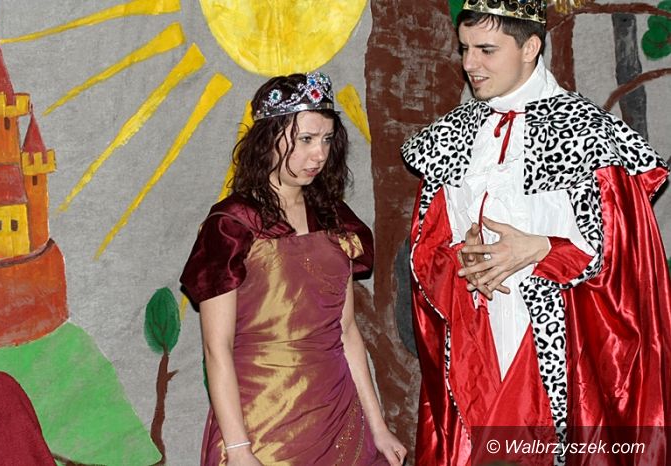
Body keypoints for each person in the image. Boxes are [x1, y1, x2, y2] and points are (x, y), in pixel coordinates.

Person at [401, 0, 671, 464]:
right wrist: (461, 256)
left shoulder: (588, 133)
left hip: (558, 349)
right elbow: (429, 244)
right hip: (477, 340)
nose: (470, 64)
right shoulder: (453, 136)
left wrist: (542, 249)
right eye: (464, 49)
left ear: (530, 48)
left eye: (486, 50)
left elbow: (626, 261)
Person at [181, 71, 406, 466]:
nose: (319, 154)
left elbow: (346, 331)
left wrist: (378, 426)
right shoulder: (232, 225)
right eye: (305, 139)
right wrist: (239, 450)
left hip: (340, 418)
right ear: (268, 138)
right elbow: (217, 348)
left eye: (327, 139)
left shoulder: (335, 218)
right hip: (262, 423)